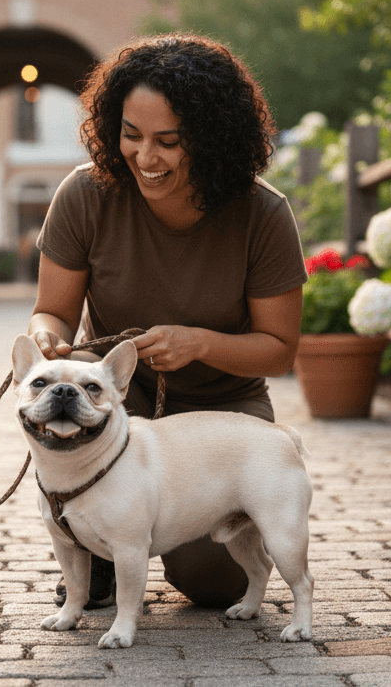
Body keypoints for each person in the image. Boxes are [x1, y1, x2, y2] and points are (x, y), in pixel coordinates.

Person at [28, 33, 308, 609]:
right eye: (131, 135)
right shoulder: (84, 194)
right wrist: (46, 336)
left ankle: (130, 537)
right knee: (82, 457)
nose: (145, 158)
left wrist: (200, 343)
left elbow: (279, 350)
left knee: (214, 583)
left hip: (221, 418)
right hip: (113, 407)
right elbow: (52, 309)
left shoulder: (263, 213)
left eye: (168, 141)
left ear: (211, 138)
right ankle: (98, 550)